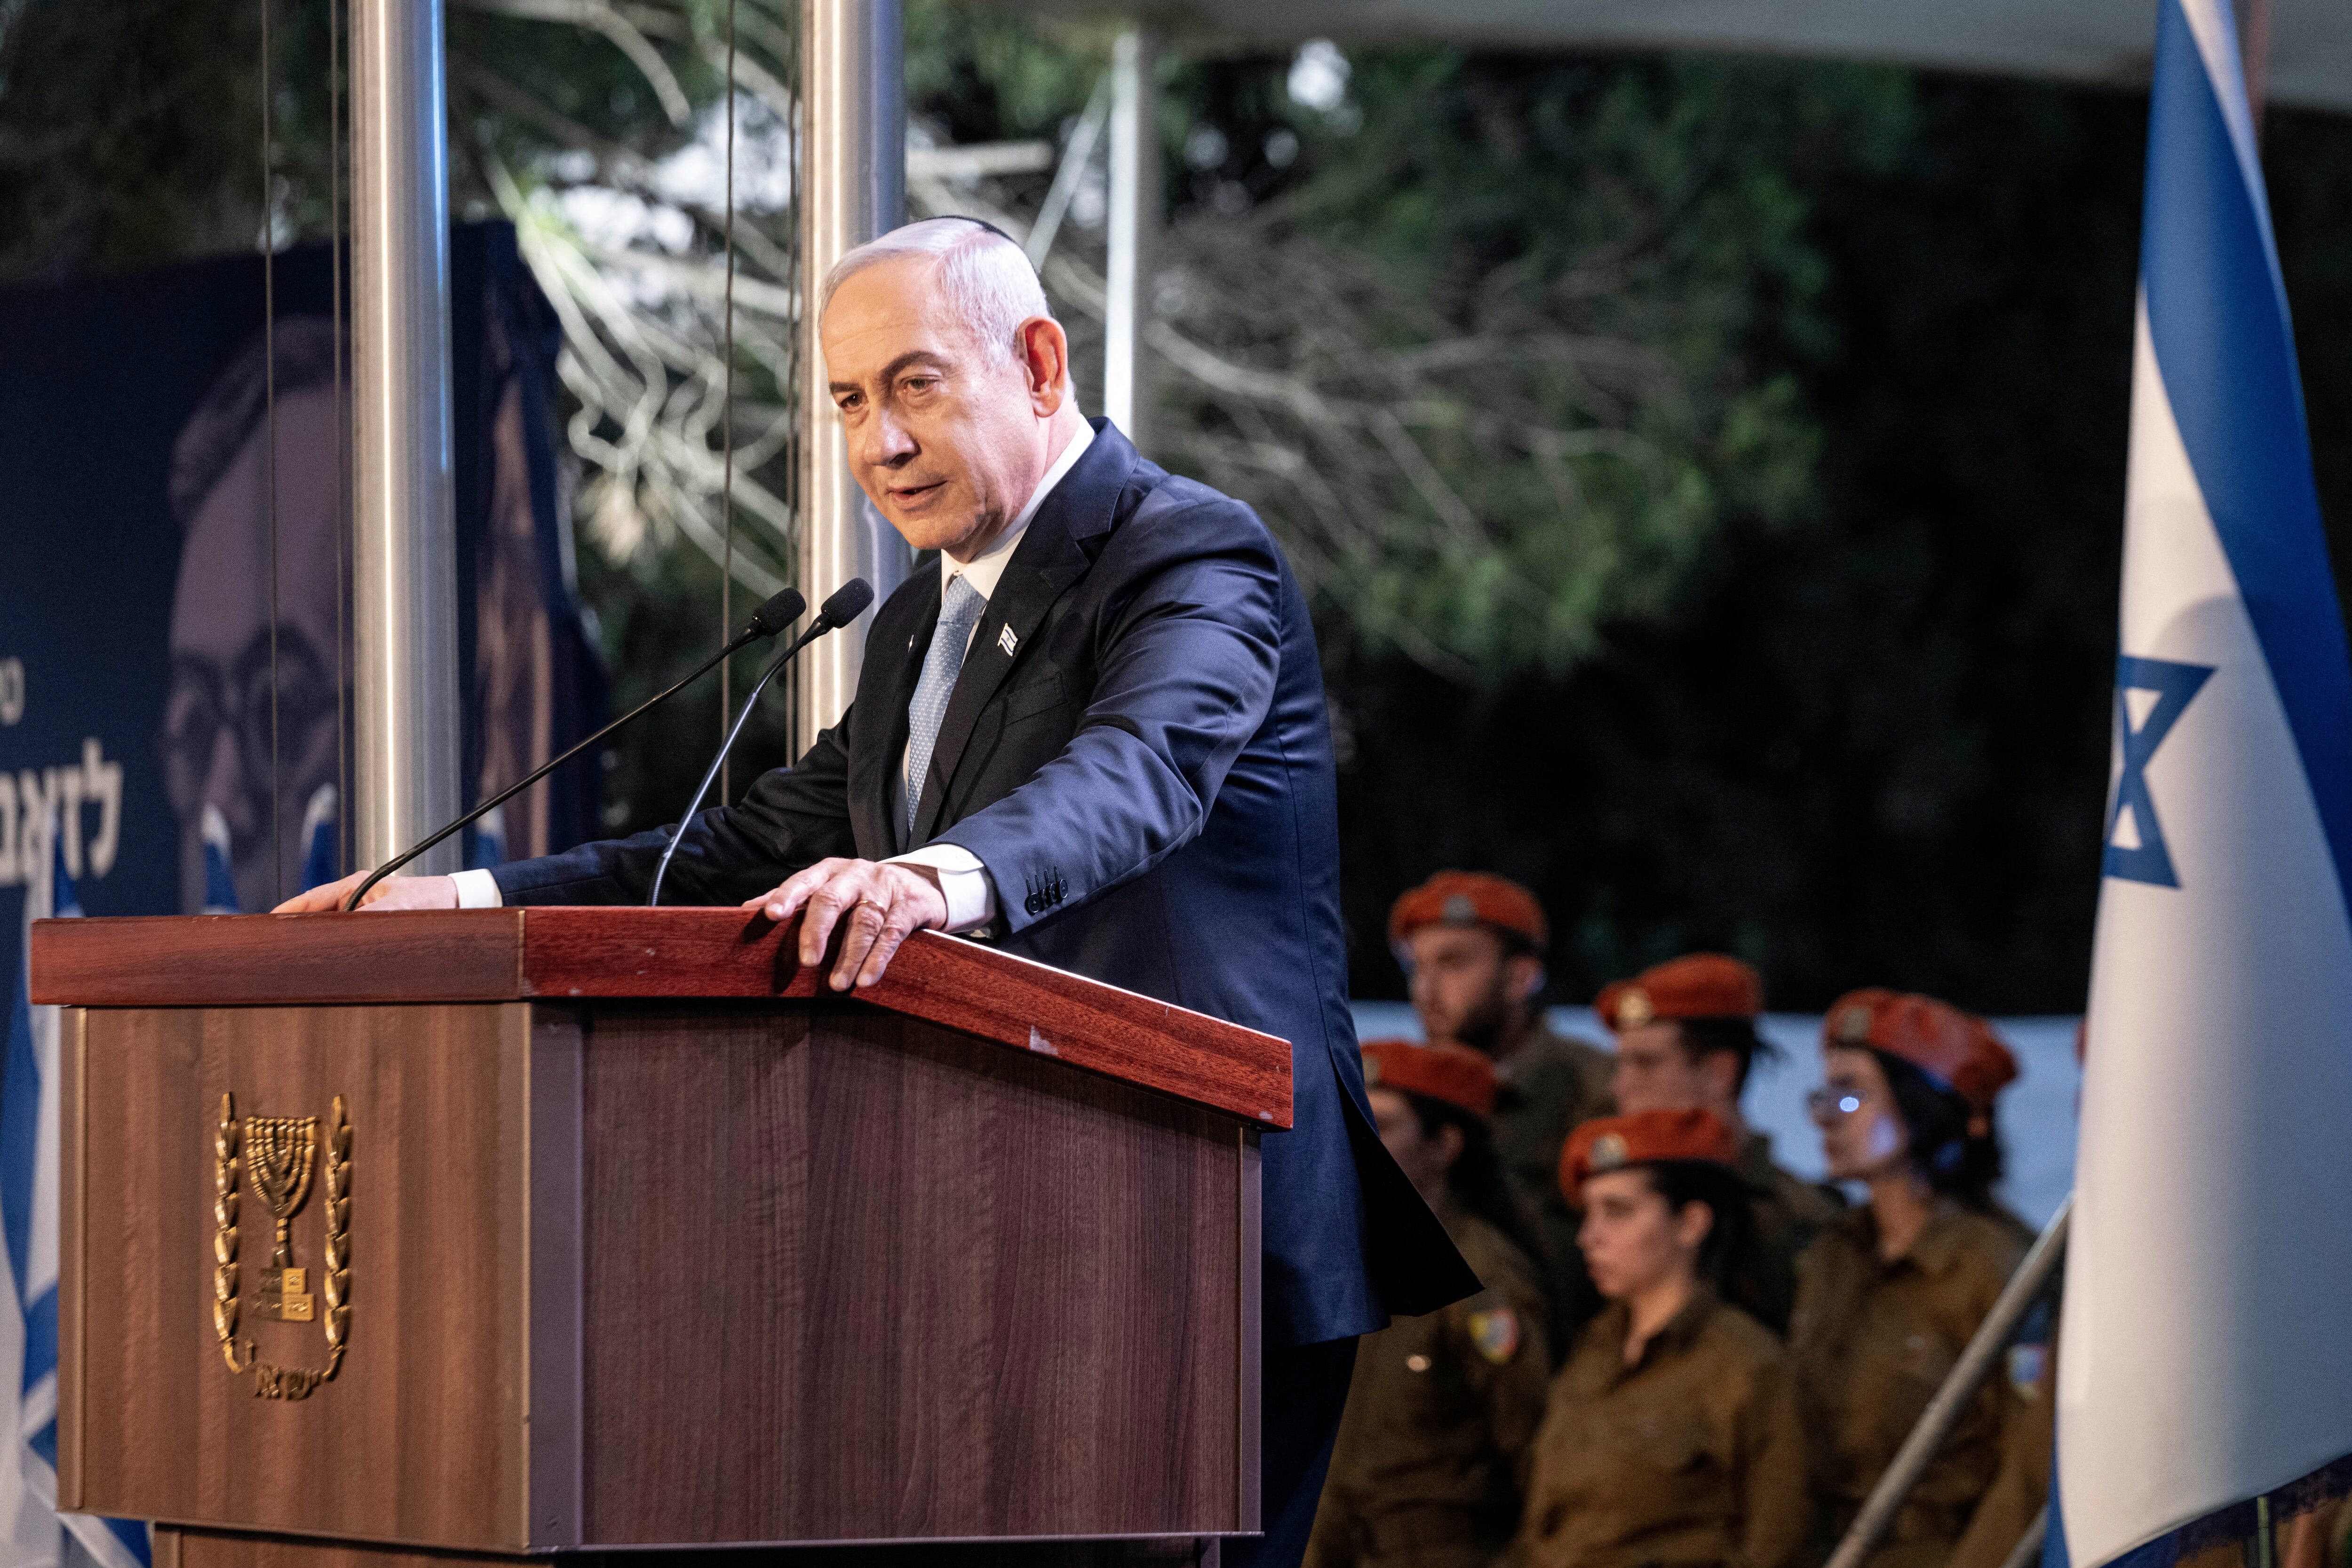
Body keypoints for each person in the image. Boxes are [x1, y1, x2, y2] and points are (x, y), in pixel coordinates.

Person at [281, 215, 1477, 1568]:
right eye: (849, 400)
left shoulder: (1189, 555)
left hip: (1191, 1235)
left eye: (915, 385)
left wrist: (926, 880)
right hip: (972, 1239)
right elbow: (739, 852)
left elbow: (1140, 772)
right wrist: (451, 907)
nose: (878, 443)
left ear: (1038, 362)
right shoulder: (914, 619)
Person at [1790, 989, 2044, 1568]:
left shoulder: (1992, 1269)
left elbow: (2027, 1472)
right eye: (1824, 1094)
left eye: (1851, 1095)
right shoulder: (1831, 1256)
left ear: (1920, 1107)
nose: (1827, 1117)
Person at [1509, 1108, 1811, 1568]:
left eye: (1617, 1212)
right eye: (1587, 1214)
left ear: (1689, 1224)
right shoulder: (1594, 1350)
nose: (1590, 1237)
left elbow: (1776, 1542)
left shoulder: (1743, 1365)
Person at [1308, 1040, 1552, 1568]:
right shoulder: (1355, 1257)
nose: (1362, 1141)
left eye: (1386, 1125)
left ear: (1444, 1146)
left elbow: (1536, 1457)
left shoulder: (1480, 1278)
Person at [1390, 871, 1613, 1335]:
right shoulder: (1400, 1095)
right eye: (1417, 967)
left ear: (1519, 977)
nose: (1425, 991)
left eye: (1452, 964)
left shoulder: (1593, 1089)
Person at [1597, 954, 1840, 1333]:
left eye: (1645, 1064)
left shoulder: (1796, 1225)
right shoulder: (1611, 1205)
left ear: (1718, 1072)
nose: (1620, 1087)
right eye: (1621, 1064)